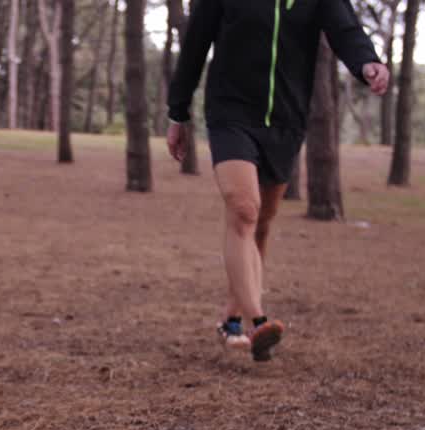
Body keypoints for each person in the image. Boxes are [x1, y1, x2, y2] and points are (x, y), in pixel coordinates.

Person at [166, 0, 389, 361]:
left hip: (286, 120)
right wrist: (178, 112)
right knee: (243, 210)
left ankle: (232, 319)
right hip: (231, 113)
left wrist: (367, 63)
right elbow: (196, 42)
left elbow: (345, 28)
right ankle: (258, 323)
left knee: (262, 223)